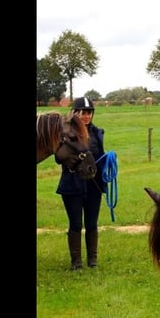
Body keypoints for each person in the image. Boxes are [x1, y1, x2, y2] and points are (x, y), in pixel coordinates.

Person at [57, 97, 107, 270]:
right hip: (73, 184)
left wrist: (107, 163)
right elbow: (58, 158)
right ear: (75, 114)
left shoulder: (97, 133)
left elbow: (100, 157)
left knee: (92, 223)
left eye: (89, 113)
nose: (87, 116)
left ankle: (92, 260)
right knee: (76, 224)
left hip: (93, 185)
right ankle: (76, 262)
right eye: (83, 113)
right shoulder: (66, 134)